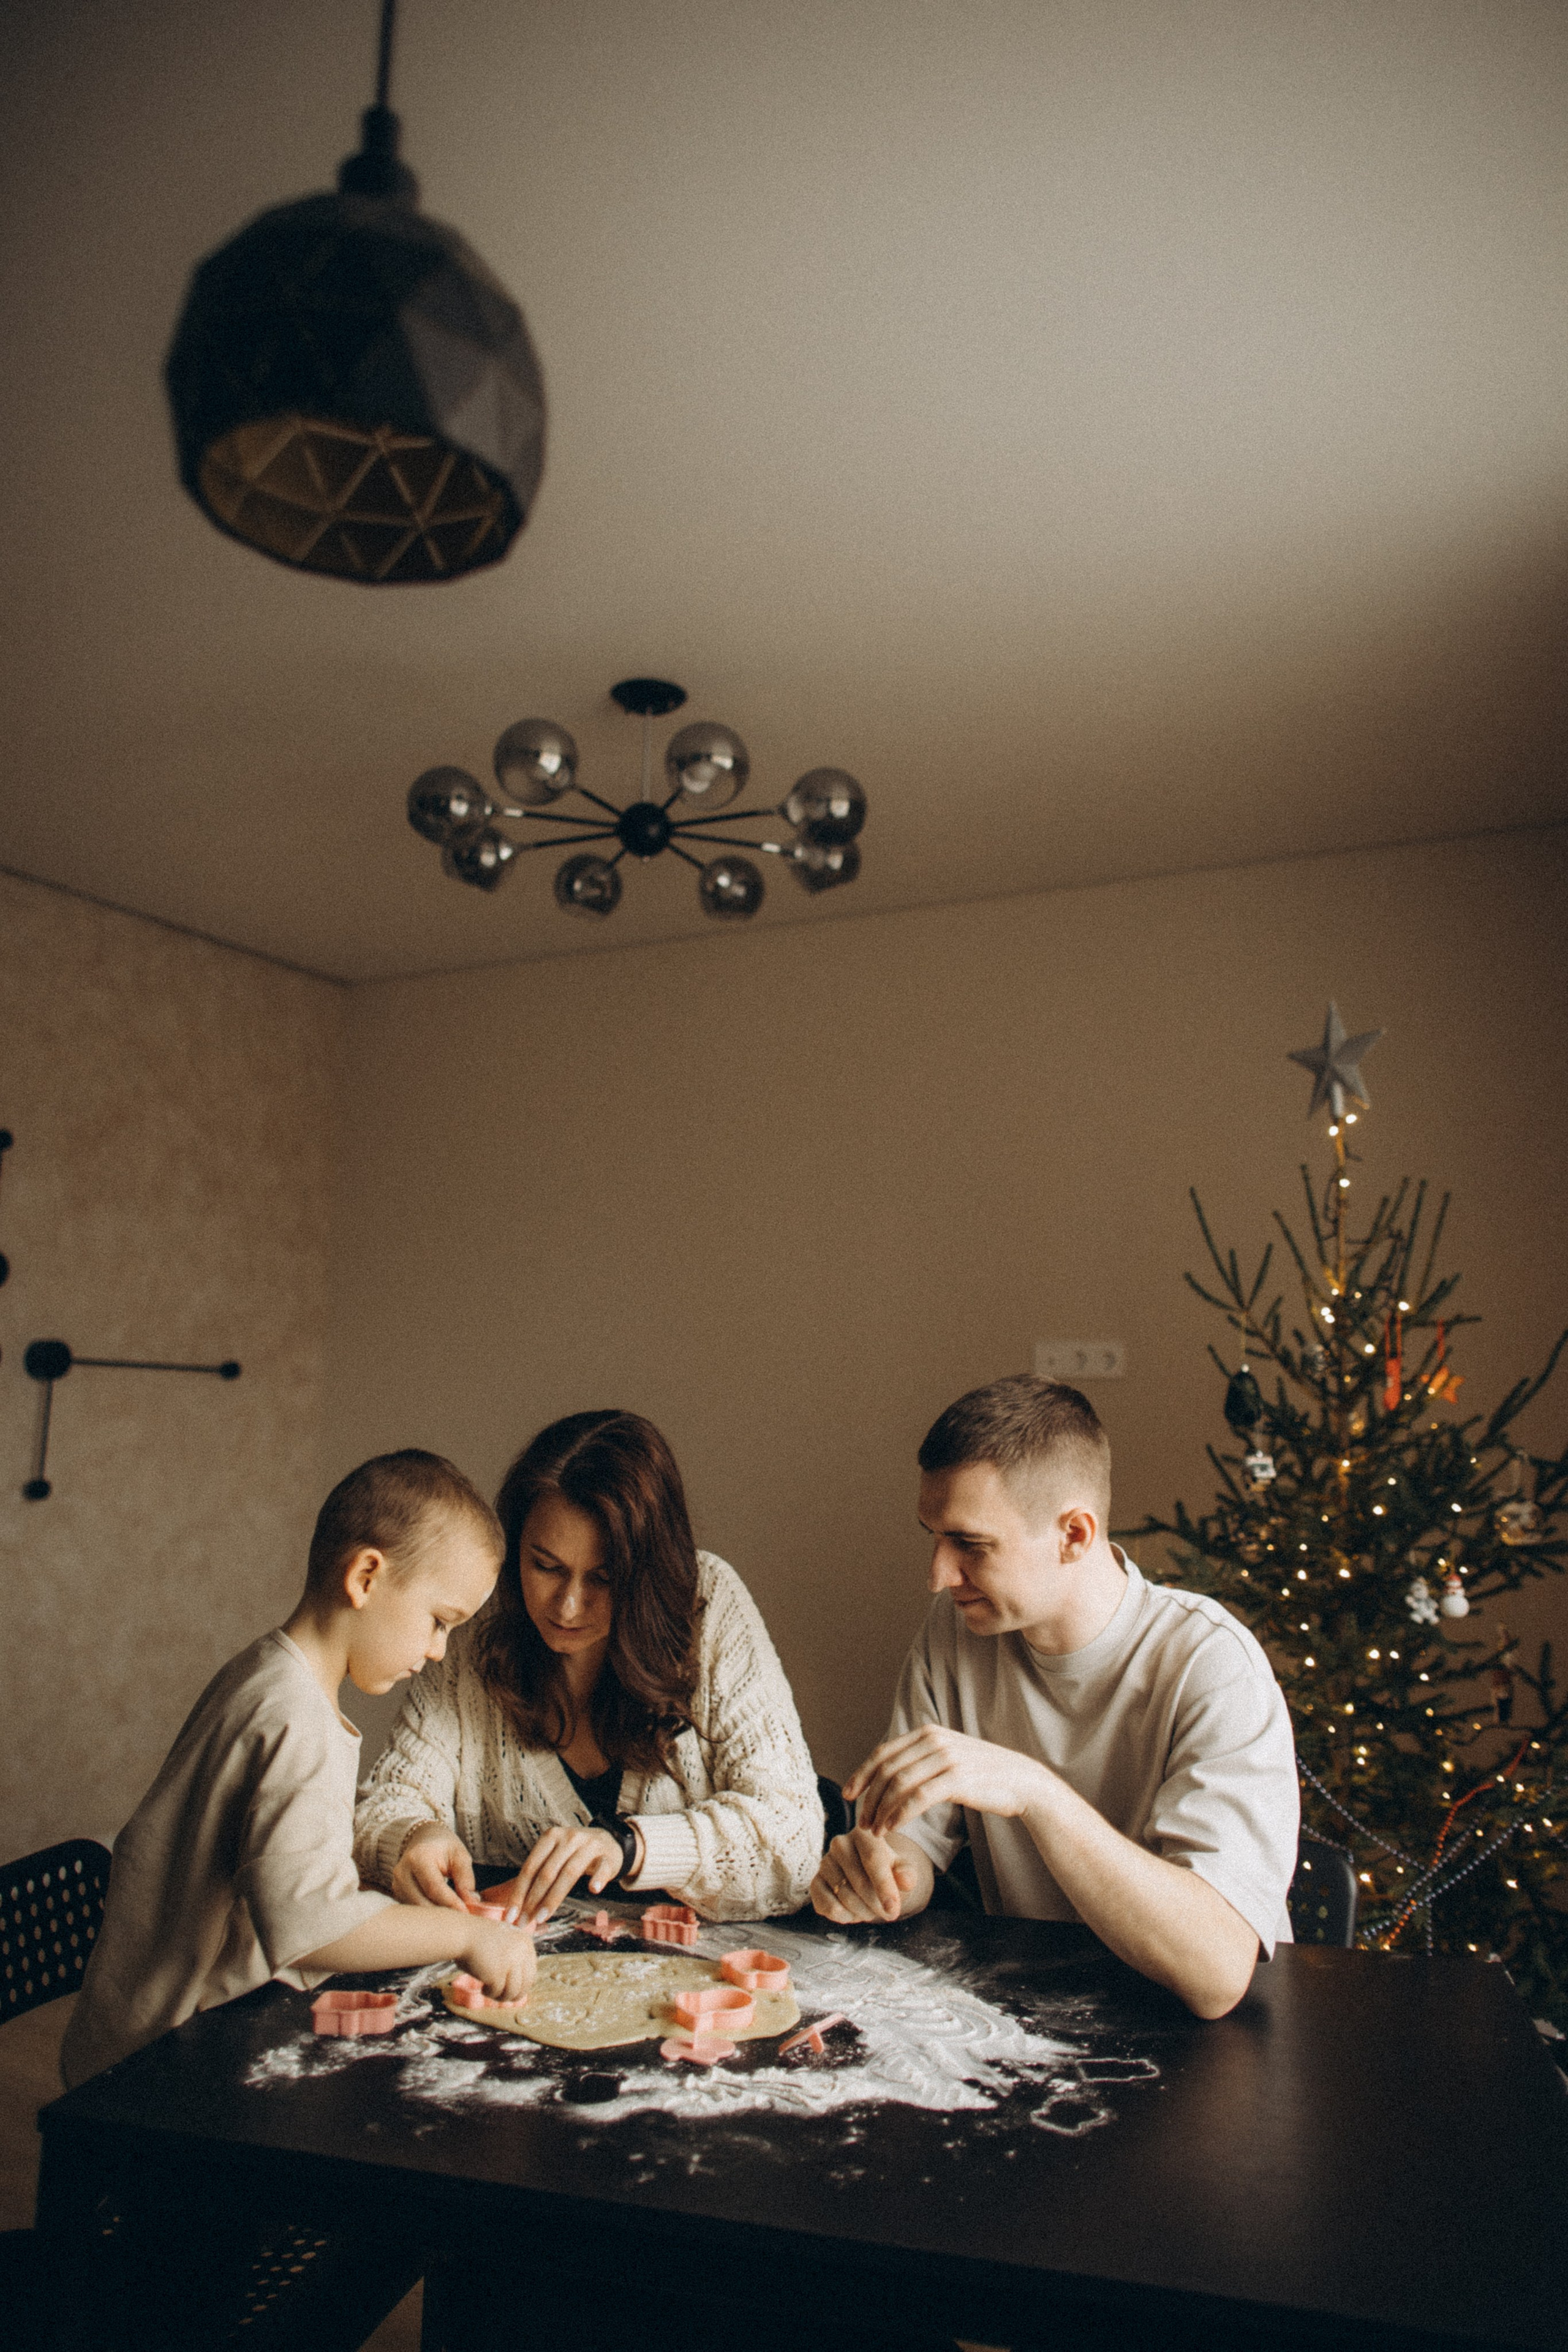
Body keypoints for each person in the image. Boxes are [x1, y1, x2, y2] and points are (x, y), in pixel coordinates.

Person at [811, 1376, 1298, 2019]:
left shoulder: (1212, 1665)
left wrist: (1033, 1792)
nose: (938, 1576)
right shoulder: (955, 1633)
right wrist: (883, 1875)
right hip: (1036, 2016)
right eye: (933, 1536)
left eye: (970, 1545)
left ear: (1074, 1534)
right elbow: (916, 1847)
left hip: (1212, 2044)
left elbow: (1216, 1973)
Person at [61, 1451, 537, 2088]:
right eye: (439, 1621)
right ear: (366, 1576)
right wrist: (467, 1936)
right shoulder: (296, 1720)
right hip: (163, 2064)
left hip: (129, 2033)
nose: (437, 1651)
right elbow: (310, 1929)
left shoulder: (263, 1672)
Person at [354, 1410, 823, 1924]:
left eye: (604, 1577)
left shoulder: (709, 1604)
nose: (568, 1607)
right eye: (545, 1566)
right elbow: (388, 1805)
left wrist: (630, 1848)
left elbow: (792, 1843)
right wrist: (415, 1838)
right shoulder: (475, 1621)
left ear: (648, 1573)